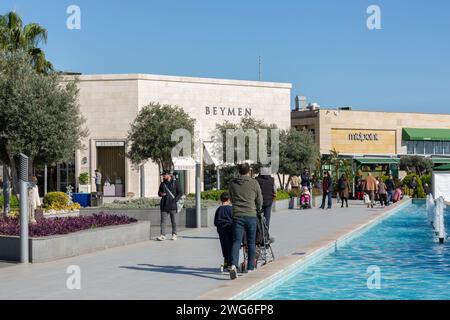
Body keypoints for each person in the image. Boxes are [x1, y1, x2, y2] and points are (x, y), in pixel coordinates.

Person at [228, 163, 263, 280]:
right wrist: (258, 208)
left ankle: (233, 265)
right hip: (251, 215)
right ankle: (250, 268)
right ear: (249, 171)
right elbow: (259, 199)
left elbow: (231, 198)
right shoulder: (254, 183)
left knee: (236, 241)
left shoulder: (232, 183)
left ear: (239, 171)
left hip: (237, 215)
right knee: (251, 242)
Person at [157, 171, 183, 241]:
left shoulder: (175, 183)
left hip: (172, 205)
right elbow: (159, 193)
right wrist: (161, 194)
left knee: (173, 221)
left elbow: (180, 193)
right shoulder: (162, 184)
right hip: (164, 205)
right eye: (163, 175)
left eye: (164, 175)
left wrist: (175, 200)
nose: (163, 176)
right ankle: (162, 235)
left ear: (169, 175)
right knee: (163, 221)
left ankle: (174, 234)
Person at [214, 192, 233, 271]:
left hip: (221, 230)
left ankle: (226, 261)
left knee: (224, 246)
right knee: (230, 246)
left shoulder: (218, 209)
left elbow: (215, 222)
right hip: (229, 229)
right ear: (229, 200)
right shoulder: (230, 209)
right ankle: (230, 262)